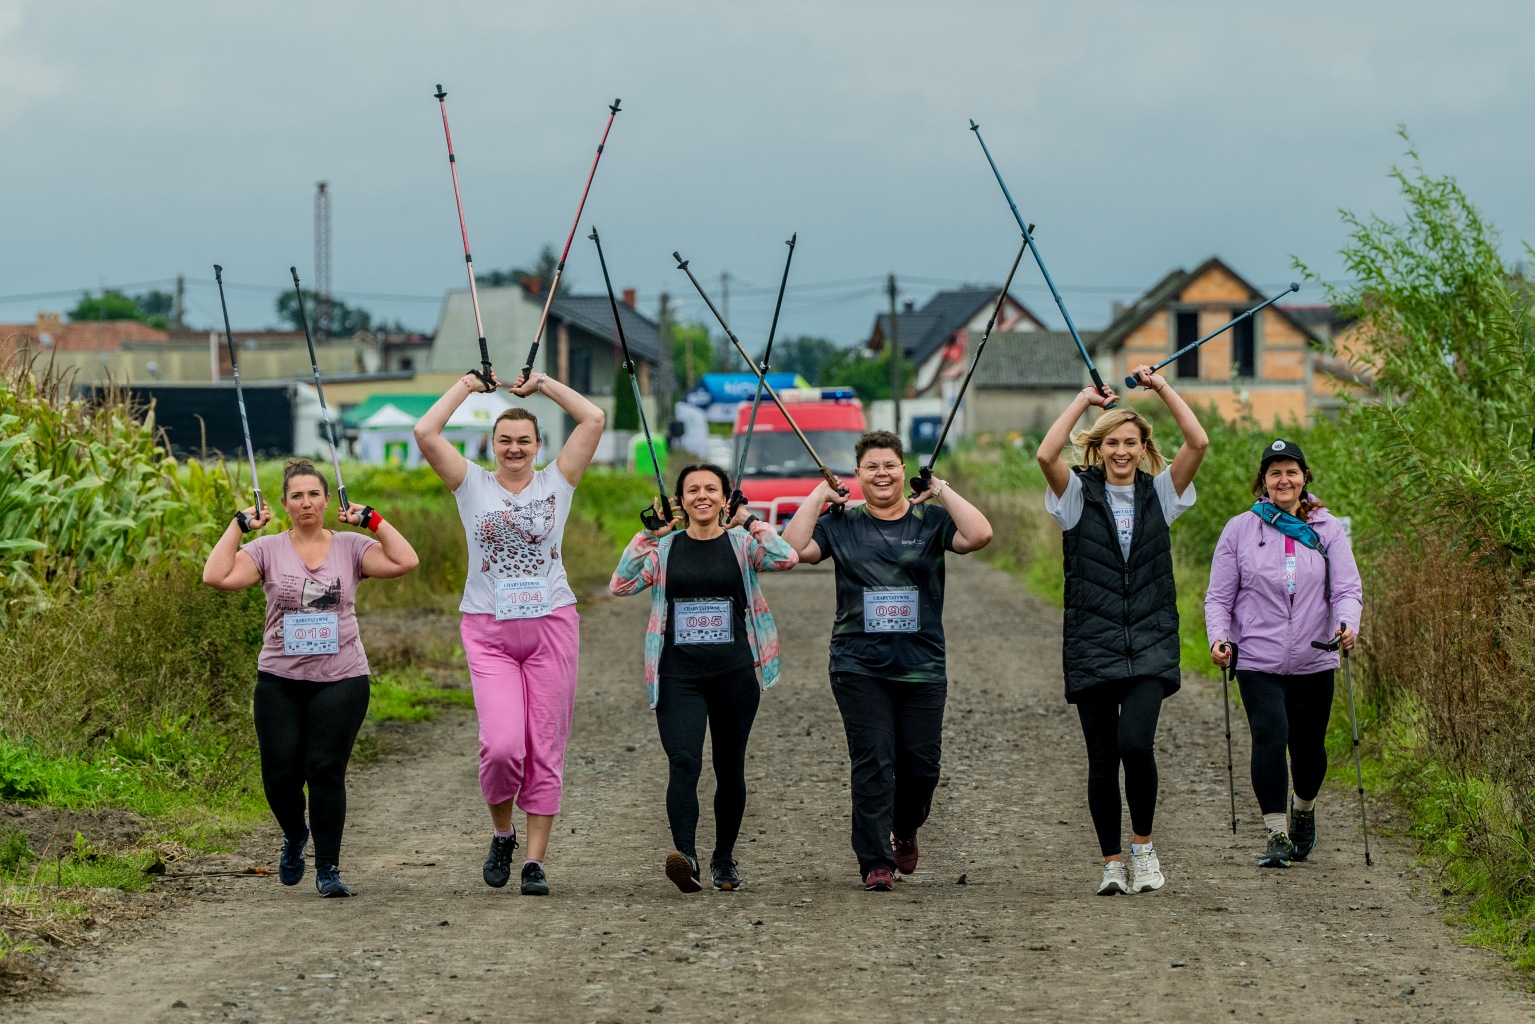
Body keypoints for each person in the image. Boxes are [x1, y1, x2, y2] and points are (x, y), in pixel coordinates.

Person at [414, 368, 604, 896]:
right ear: (491, 445)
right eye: (505, 441)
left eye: (524, 441)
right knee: (501, 747)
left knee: (545, 745)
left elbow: (594, 417)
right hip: (489, 629)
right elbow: (425, 434)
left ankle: (535, 864)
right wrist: (468, 387)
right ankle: (503, 833)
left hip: (551, 626)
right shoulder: (470, 483)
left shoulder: (557, 482)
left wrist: (541, 385)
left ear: (539, 445)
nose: (514, 449)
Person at [783, 431, 992, 891]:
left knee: (921, 767)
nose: (882, 473)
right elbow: (793, 550)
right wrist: (820, 494)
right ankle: (875, 861)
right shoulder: (841, 523)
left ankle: (906, 827)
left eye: (890, 465)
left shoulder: (932, 520)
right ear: (857, 475)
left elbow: (979, 534)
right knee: (873, 760)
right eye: (872, 467)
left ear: (904, 471)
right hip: (858, 665)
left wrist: (940, 489)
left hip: (921, 665)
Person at [202, 458, 419, 897]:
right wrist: (238, 526)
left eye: (314, 494)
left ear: (327, 500)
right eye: (297, 496)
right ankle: (295, 835)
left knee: (324, 770)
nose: (306, 503)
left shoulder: (351, 547)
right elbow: (216, 576)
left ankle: (329, 868)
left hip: (342, 678)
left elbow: (406, 560)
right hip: (280, 680)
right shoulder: (266, 550)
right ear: (283, 504)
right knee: (280, 778)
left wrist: (373, 519)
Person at [1037, 368, 1208, 896]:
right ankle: (1111, 863)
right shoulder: (1075, 496)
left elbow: (1198, 441)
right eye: (1111, 442)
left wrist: (1159, 389)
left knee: (1136, 744)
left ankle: (1143, 850)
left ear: (1142, 447)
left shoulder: (1163, 493)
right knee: (1101, 758)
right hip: (1092, 643)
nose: (1121, 451)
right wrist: (1083, 398)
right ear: (1097, 446)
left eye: (1131, 442)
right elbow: (1046, 456)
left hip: (1151, 642)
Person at [610, 464, 798, 892]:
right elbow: (620, 585)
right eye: (692, 489)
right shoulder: (665, 549)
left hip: (735, 673)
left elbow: (786, 558)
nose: (702, 496)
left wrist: (748, 520)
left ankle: (724, 859)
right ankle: (687, 857)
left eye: (711, 489)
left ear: (724, 498)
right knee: (684, 761)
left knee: (729, 768)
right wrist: (647, 537)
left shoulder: (741, 544)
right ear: (679, 501)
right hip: (678, 676)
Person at [1205, 438, 1362, 868]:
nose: (1283, 479)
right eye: (1275, 473)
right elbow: (1218, 597)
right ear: (1263, 482)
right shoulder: (1240, 529)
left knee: (1309, 750)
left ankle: (1304, 811)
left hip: (1315, 655)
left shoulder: (1328, 530)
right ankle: (1276, 833)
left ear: (1304, 478)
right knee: (1270, 735)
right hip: (1257, 656)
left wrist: (1347, 624)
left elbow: (1347, 589)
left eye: (1291, 471)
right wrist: (1219, 638)